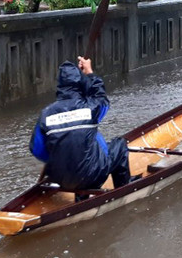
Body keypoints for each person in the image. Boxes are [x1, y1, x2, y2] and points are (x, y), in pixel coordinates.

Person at [29, 56, 136, 198]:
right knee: (120, 145)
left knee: (82, 152)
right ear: (80, 84)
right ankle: (123, 190)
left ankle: (80, 193)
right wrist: (90, 73)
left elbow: (37, 150)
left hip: (60, 180)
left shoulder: (46, 114)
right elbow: (102, 100)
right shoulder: (89, 108)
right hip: (91, 176)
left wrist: (60, 157)